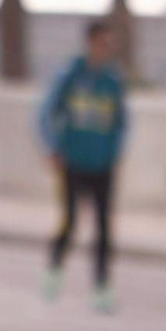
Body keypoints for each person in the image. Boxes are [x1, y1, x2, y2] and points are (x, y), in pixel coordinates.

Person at [38, 20, 128, 312]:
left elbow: (121, 123)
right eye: (102, 42)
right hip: (73, 161)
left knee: (103, 228)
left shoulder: (112, 81)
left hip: (102, 164)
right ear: (90, 42)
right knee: (71, 220)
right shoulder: (70, 75)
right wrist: (52, 147)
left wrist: (115, 153)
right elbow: (45, 112)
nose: (106, 49)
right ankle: (54, 269)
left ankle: (102, 285)